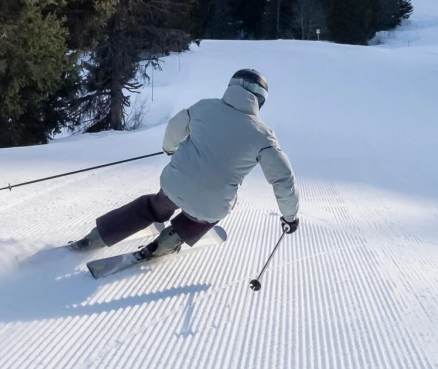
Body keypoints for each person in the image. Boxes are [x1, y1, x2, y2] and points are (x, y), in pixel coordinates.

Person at [70, 68, 301, 259]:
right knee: (218, 206)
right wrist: (290, 217)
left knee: (154, 205)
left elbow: (174, 127)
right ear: (260, 100)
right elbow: (283, 179)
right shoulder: (263, 135)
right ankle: (167, 242)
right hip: (211, 203)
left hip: (174, 185)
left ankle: (97, 237)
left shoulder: (204, 107)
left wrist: (170, 149)